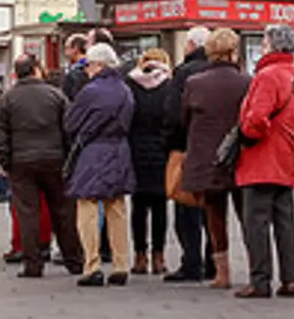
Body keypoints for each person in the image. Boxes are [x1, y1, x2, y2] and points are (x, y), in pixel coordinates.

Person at [0, 54, 84, 277]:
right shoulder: (56, 95)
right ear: (36, 69)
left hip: (21, 162)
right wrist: (68, 158)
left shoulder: (7, 99)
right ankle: (74, 259)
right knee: (63, 211)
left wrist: (6, 160)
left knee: (28, 213)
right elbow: (70, 129)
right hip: (55, 159)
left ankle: (33, 263)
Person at [235, 23, 294, 300]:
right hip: (286, 154)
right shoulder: (293, 75)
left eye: (264, 43)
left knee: (257, 221)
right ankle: (291, 279)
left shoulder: (267, 75)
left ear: (272, 45)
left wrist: (247, 134)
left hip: (262, 157)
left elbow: (256, 118)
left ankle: (260, 280)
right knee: (285, 220)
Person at [181, 27, 251, 289]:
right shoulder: (248, 81)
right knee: (247, 215)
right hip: (240, 156)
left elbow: (184, 119)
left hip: (206, 157)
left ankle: (222, 273)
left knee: (214, 214)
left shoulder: (194, 83)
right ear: (234, 52)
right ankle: (257, 268)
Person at [65, 44, 137, 286]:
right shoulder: (126, 90)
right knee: (117, 207)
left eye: (88, 65)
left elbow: (71, 122)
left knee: (86, 205)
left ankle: (92, 264)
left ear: (99, 65)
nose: (86, 70)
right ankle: (120, 264)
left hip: (94, 150)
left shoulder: (90, 91)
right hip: (120, 150)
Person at [163, 26, 215, 283]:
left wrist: (171, 146)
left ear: (192, 45)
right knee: (212, 208)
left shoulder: (184, 73)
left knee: (187, 208)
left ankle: (191, 262)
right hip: (217, 151)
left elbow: (173, 114)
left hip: (187, 149)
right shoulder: (223, 71)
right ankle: (214, 260)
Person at [126, 48, 174, 275]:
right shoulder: (169, 87)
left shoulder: (131, 84)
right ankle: (159, 257)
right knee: (160, 207)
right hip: (161, 152)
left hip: (136, 151)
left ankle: (139, 256)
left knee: (138, 207)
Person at [62, 34, 92, 100]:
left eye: (67, 48)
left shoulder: (82, 70)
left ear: (75, 48)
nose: (65, 53)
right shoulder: (69, 68)